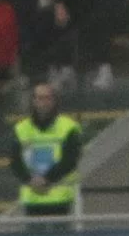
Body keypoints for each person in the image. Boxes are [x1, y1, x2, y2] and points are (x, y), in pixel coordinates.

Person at [11, 82, 82, 217]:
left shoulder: (68, 127)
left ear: (54, 101)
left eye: (47, 98)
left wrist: (47, 179)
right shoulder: (21, 129)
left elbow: (70, 160)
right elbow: (15, 162)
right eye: (39, 98)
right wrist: (29, 180)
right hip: (32, 199)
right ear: (33, 101)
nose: (43, 102)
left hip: (60, 199)